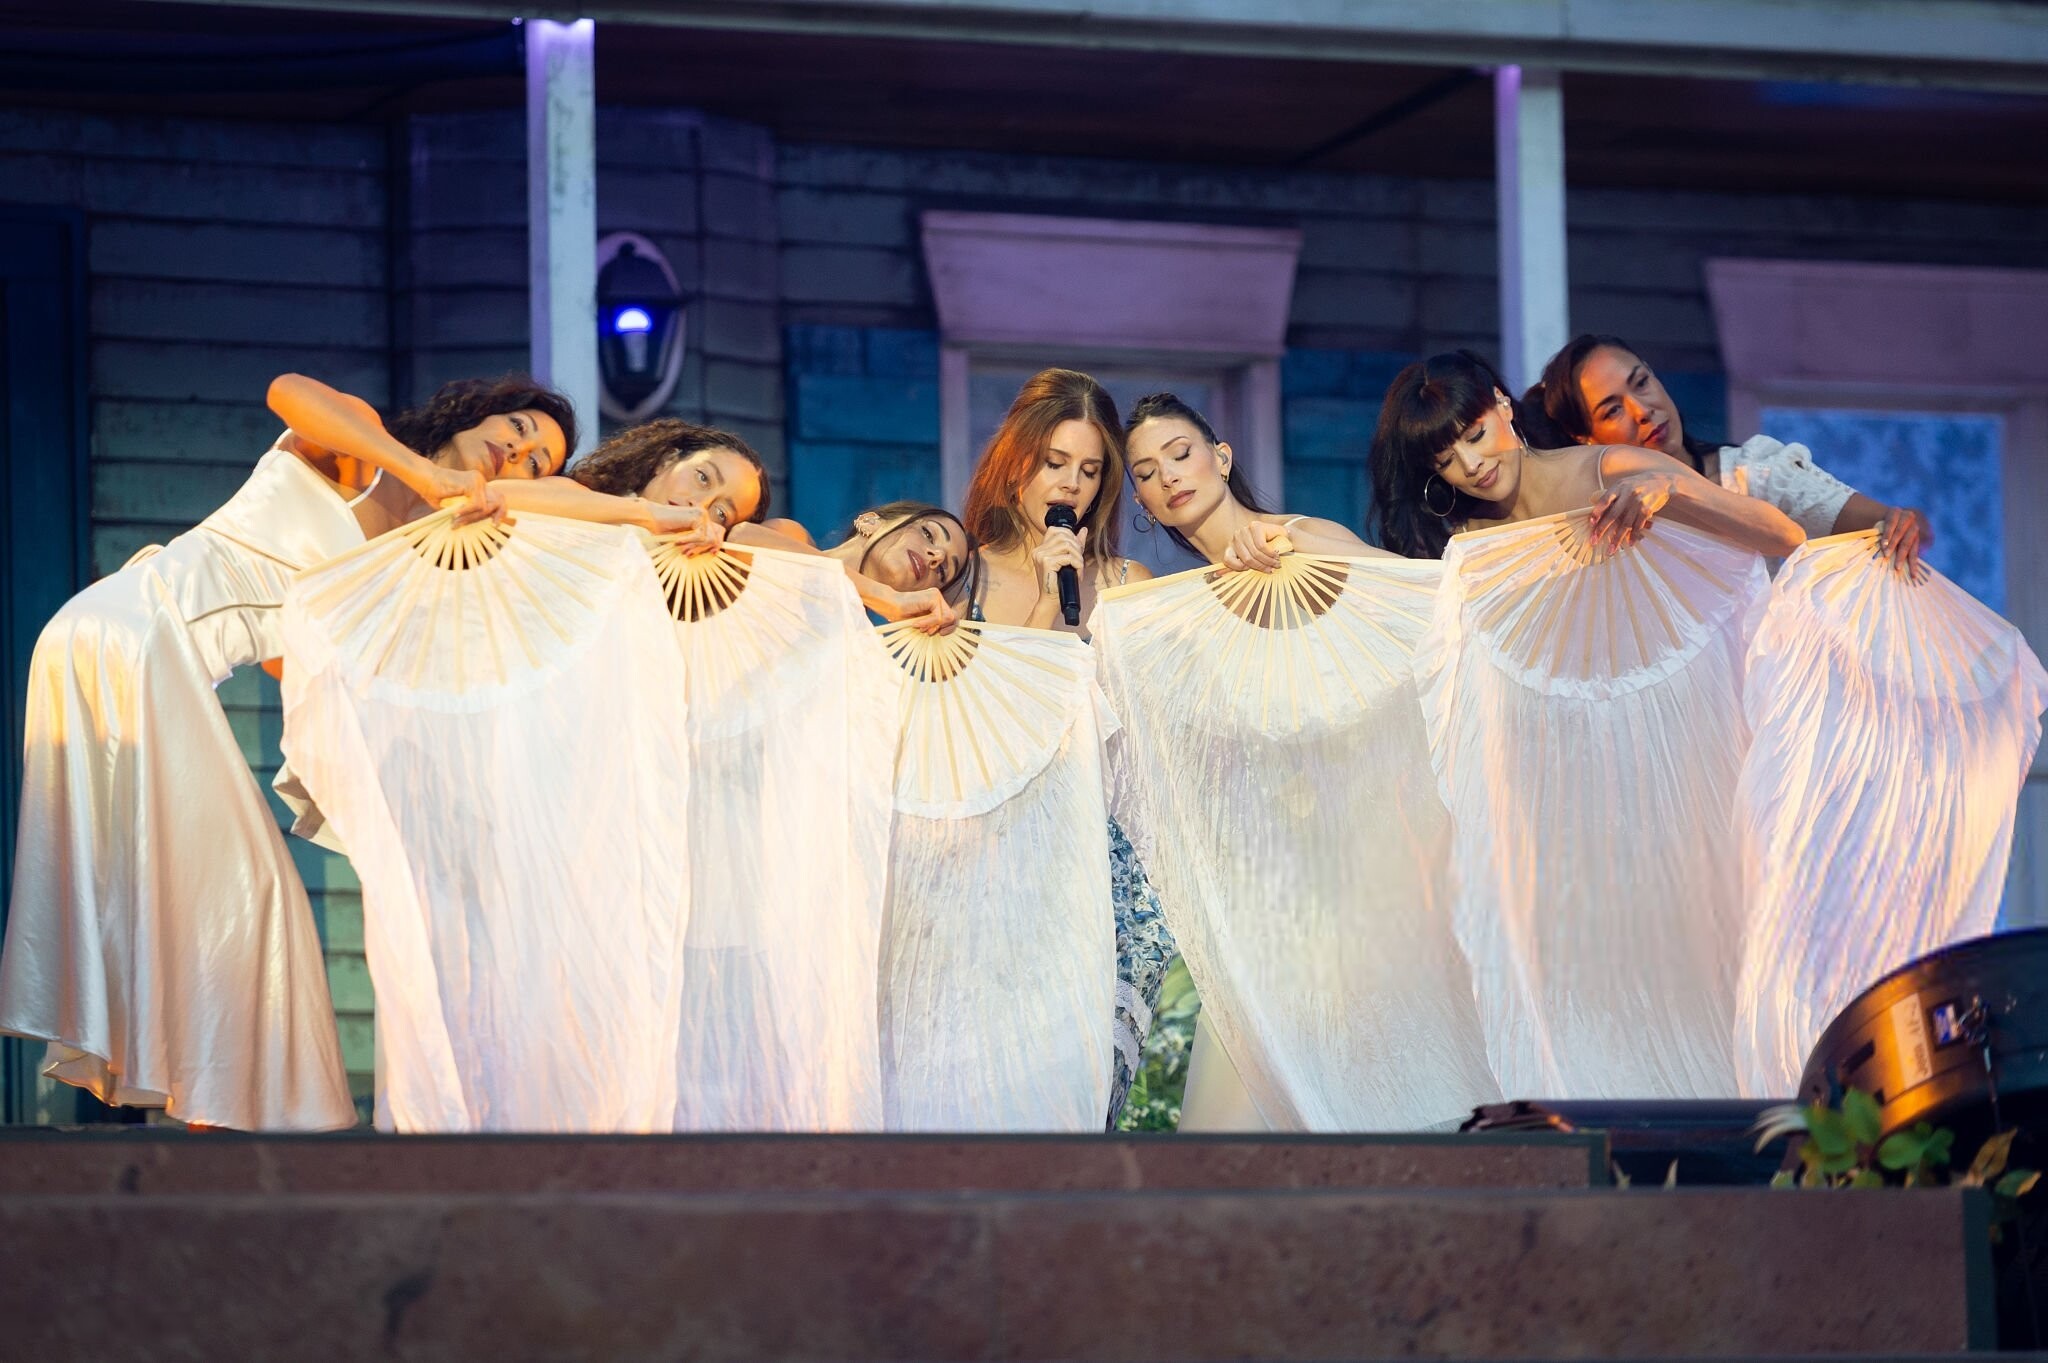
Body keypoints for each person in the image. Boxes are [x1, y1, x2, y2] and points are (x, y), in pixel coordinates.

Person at [0, 373, 575, 1130]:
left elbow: (283, 652)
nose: (519, 451)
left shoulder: (405, 551)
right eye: (520, 428)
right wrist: (420, 471)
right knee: (253, 891)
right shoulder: (365, 447)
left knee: (187, 880)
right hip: (136, 629)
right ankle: (227, 1114)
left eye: (537, 463)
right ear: (477, 413)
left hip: (126, 646)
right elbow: (285, 390)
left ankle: (207, 1110)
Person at [1107, 393, 1499, 1131]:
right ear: (1143, 504)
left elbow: (1431, 609)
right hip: (1271, 898)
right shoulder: (1172, 616)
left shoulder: (1303, 541)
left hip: (1367, 874)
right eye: (1148, 473)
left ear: (1222, 457)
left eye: (1181, 454)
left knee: (1390, 1100)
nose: (1170, 477)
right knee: (1235, 1127)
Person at [957, 368, 1165, 1125]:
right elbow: (980, 717)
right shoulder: (958, 575)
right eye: (1055, 462)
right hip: (990, 861)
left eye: (1090, 469)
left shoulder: (1126, 581)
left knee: (1082, 1099)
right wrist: (1048, 601)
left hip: (1102, 862)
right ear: (1016, 459)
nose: (1071, 485)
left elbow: (1155, 730)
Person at [1534, 334, 1929, 570]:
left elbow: (1887, 524)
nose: (1643, 411)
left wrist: (1902, 524)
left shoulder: (1753, 473)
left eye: (1641, 383)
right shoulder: (1593, 525)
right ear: (1584, 437)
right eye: (1612, 410)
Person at [1371, 349, 1804, 562]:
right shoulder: (1467, 545)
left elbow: (1784, 536)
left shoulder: (1612, 469)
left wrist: (1675, 487)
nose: (1471, 465)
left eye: (1476, 435)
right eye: (1445, 461)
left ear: (1503, 404)